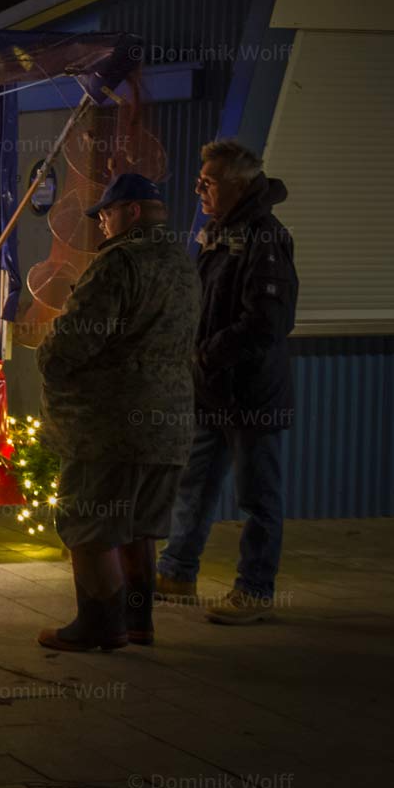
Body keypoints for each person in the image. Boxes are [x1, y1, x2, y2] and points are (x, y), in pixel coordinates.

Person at [34, 172, 199, 651]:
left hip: (108, 425)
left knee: (89, 522)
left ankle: (100, 625)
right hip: (167, 421)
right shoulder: (183, 264)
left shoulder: (118, 264)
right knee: (138, 524)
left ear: (129, 212)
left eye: (105, 214)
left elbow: (76, 341)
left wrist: (47, 357)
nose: (102, 224)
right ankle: (138, 621)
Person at [158, 139, 298, 624]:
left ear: (239, 184)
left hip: (253, 395)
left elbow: (266, 322)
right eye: (200, 179)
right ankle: (177, 571)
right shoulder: (218, 233)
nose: (198, 187)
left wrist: (205, 355)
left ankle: (256, 590)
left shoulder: (265, 239)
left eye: (209, 181)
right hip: (212, 390)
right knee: (194, 485)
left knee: (258, 497)